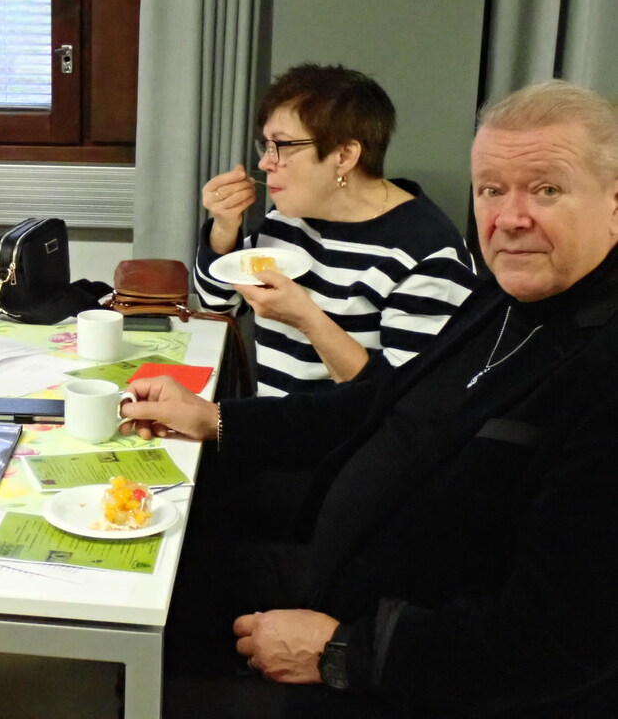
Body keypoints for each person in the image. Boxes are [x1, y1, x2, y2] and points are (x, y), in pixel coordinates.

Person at [123, 80, 618, 717]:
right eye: (492, 190)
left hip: (404, 666)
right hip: (341, 574)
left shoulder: (599, 369)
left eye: (546, 189)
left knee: (159, 675)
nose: (511, 218)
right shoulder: (503, 296)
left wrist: (344, 652)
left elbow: (561, 642)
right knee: (153, 584)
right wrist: (216, 418)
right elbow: (382, 403)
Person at [194, 64, 478, 397]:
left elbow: (403, 403)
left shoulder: (428, 255)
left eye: (281, 146)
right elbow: (217, 305)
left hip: (344, 433)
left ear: (343, 156)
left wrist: (307, 319)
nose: (265, 163)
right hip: (272, 422)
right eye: (266, 146)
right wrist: (225, 226)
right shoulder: (290, 217)